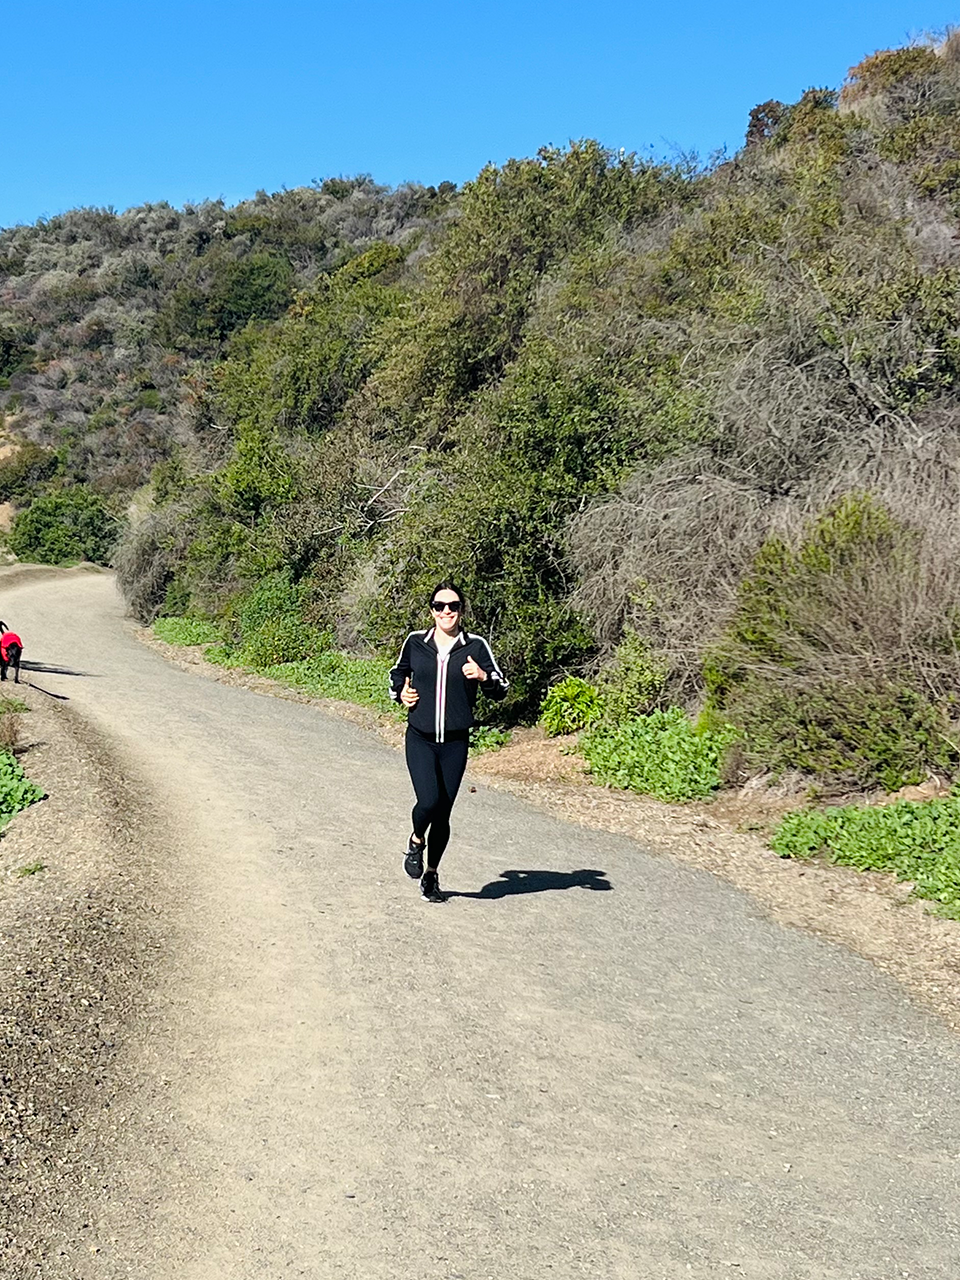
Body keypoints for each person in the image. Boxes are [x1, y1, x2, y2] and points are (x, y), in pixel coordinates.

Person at [389, 582, 508, 901]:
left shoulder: (476, 646)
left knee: (443, 814)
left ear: (461, 610)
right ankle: (416, 841)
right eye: (440, 606)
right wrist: (401, 693)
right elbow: (397, 675)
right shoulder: (416, 643)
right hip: (420, 738)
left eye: (453, 606)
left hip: (455, 743)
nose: (446, 611)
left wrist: (483, 677)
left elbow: (501, 689)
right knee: (428, 801)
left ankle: (431, 875)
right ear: (431, 610)